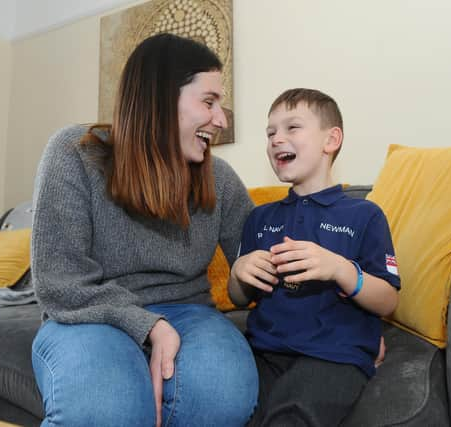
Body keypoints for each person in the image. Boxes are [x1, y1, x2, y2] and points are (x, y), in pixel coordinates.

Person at [30, 33, 258, 427]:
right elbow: (59, 283)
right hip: (90, 316)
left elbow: (265, 257)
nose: (221, 119)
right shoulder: (73, 153)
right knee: (108, 409)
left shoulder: (218, 178)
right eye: (209, 102)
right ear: (159, 99)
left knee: (223, 395)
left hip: (191, 313)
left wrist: (340, 326)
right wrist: (150, 326)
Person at [228, 88, 401, 426]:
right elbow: (239, 297)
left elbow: (388, 300)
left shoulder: (364, 215)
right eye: (270, 133)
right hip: (265, 353)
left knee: (292, 418)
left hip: (335, 355)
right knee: (230, 410)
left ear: (331, 140)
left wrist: (340, 269)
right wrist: (239, 271)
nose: (277, 139)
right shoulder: (260, 219)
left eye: (292, 128)